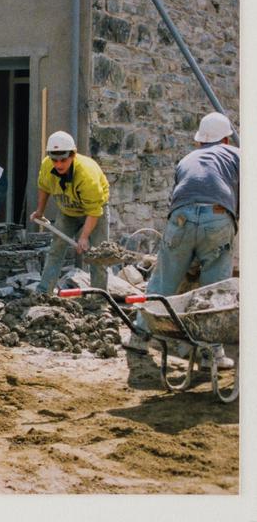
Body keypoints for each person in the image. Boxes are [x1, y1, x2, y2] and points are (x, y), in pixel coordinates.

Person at [126, 112, 239, 369]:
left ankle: (139, 336)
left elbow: (177, 198)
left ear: (199, 141)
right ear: (226, 141)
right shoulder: (236, 155)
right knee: (216, 289)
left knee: (163, 280)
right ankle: (212, 354)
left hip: (180, 218)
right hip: (219, 217)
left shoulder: (186, 159)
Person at [30, 130, 110, 293]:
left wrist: (84, 237)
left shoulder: (87, 174)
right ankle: (44, 292)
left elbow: (94, 210)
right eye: (55, 160)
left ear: (73, 155)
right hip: (67, 211)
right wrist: (40, 211)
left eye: (63, 160)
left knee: (97, 255)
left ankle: (98, 298)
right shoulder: (47, 165)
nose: (58, 165)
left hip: (94, 213)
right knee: (56, 249)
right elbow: (44, 188)